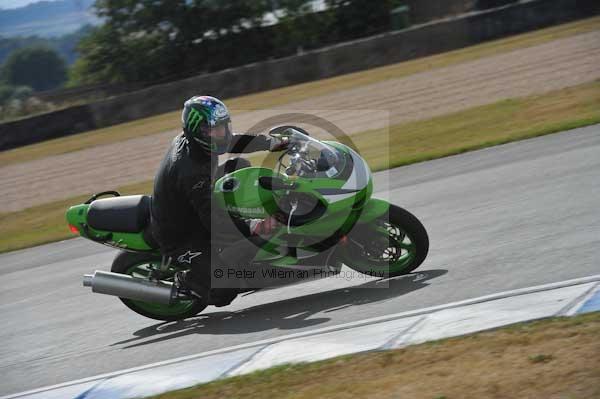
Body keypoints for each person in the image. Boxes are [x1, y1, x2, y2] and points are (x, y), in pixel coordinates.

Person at [150, 95, 287, 306]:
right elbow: (212, 221)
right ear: (199, 131)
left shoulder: (197, 143)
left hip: (196, 201)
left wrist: (272, 142)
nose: (223, 134)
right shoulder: (190, 171)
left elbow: (232, 141)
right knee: (225, 289)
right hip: (181, 233)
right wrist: (253, 225)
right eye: (215, 129)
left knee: (239, 166)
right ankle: (186, 281)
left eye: (224, 127)